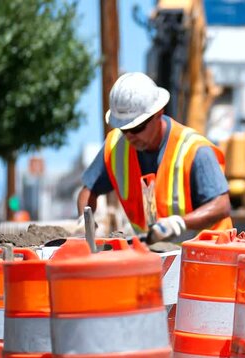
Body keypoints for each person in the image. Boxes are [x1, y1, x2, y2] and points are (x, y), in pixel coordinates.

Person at [77, 72, 232, 243]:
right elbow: (88, 190)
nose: (130, 136)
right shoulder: (116, 146)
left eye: (137, 127)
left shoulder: (194, 150)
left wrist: (179, 223)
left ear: (159, 113)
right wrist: (86, 222)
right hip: (157, 256)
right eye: (124, 129)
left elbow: (222, 205)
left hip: (209, 256)